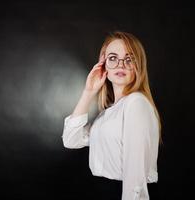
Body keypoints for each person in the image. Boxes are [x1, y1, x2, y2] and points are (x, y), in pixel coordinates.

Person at [62, 31, 162, 200]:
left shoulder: (136, 103)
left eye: (129, 59)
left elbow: (135, 174)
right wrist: (89, 91)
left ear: (138, 66)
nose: (120, 65)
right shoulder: (107, 114)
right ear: (104, 64)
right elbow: (71, 140)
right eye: (113, 58)